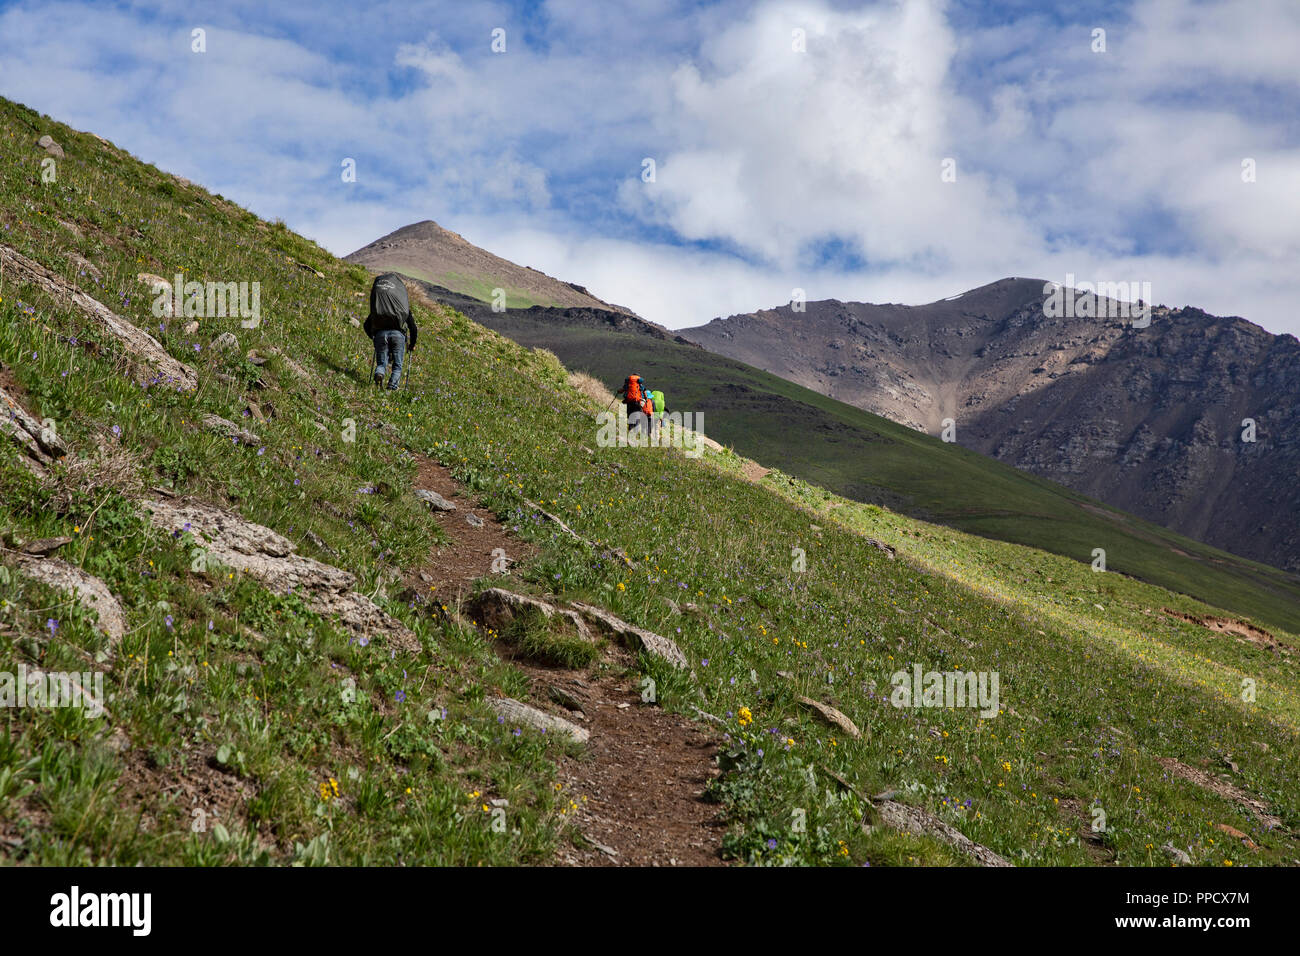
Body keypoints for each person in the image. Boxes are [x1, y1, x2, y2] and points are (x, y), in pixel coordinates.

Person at [363, 273, 418, 390]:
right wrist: (412, 345)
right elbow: (413, 328)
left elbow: (366, 325)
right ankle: (391, 388)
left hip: (380, 335)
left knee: (381, 363)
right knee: (397, 366)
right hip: (398, 336)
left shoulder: (379, 310)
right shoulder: (402, 309)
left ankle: (379, 373)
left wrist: (374, 337)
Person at [616, 374, 653, 442]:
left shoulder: (628, 385)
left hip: (629, 403)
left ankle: (630, 432)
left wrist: (618, 391)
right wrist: (645, 398)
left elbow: (621, 390)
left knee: (630, 417)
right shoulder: (640, 385)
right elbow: (645, 393)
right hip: (637, 403)